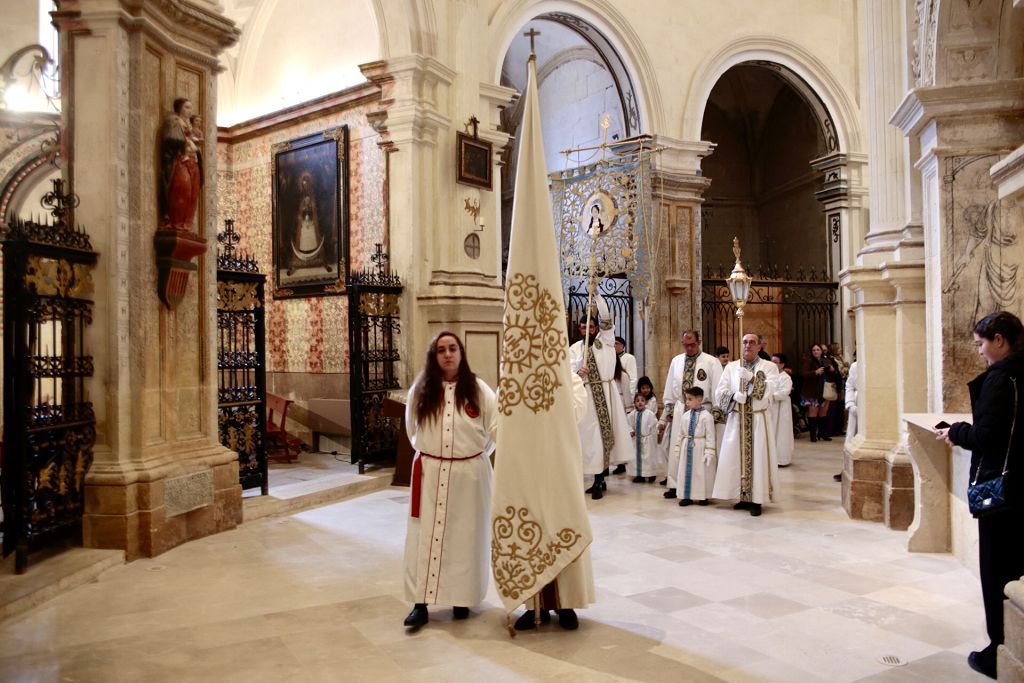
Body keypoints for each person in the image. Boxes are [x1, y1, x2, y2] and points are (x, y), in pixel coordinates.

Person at [936, 312, 1024, 679]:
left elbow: (986, 437)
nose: (980, 353)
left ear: (999, 340)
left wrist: (955, 431)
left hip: (1003, 495)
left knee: (997, 571)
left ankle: (1000, 649)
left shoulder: (1001, 379)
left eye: (981, 344)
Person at [402, 332, 496, 628]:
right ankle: (421, 603)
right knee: (424, 537)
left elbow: (494, 431)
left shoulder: (479, 390)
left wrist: (469, 457)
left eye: (453, 348)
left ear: (461, 353)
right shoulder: (421, 390)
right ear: (434, 356)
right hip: (430, 473)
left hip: (469, 477)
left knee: (465, 537)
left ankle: (461, 598)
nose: (447, 354)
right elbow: (411, 430)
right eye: (441, 350)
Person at [569, 294, 633, 499]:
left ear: (596, 328)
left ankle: (599, 480)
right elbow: (568, 372)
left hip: (604, 395)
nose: (587, 330)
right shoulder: (574, 349)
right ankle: (595, 477)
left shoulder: (604, 342)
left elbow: (607, 318)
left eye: (590, 327)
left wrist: (596, 297)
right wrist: (578, 372)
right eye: (583, 327)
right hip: (585, 395)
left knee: (600, 438)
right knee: (587, 440)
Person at [712, 333, 780, 516]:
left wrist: (751, 379)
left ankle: (757, 499)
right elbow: (720, 391)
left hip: (758, 420)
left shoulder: (769, 367)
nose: (747, 346)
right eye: (744, 342)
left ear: (760, 346)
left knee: (758, 459)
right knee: (736, 459)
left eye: (752, 342)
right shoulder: (732, 367)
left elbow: (770, 390)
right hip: (737, 419)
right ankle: (741, 496)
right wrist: (733, 396)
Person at [659, 330, 723, 499]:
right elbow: (669, 387)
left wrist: (716, 412)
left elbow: (718, 388)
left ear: (699, 342)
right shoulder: (677, 361)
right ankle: (675, 485)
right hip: (681, 411)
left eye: (692, 344)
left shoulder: (711, 362)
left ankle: (704, 490)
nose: (689, 348)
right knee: (677, 448)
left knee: (703, 452)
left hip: (704, 412)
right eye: (686, 345)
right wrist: (669, 408)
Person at [160, 97, 203, 232]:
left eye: (190, 107)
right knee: (182, 189)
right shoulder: (173, 121)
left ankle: (186, 226)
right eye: (187, 107)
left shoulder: (191, 126)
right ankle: (175, 223)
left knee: (193, 193)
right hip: (180, 161)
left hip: (193, 160)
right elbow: (170, 138)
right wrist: (186, 143)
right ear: (179, 108)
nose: (190, 110)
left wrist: (194, 145)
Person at [672, 386, 717, 506]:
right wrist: (678, 448)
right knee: (686, 472)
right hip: (687, 447)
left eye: (690, 399)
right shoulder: (685, 416)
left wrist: (709, 452)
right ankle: (687, 496)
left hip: (700, 448)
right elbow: (680, 434)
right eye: (687, 399)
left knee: (700, 472)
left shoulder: (707, 416)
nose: (687, 402)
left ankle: (703, 496)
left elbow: (710, 436)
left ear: (700, 399)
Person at [800, 343, 839, 442]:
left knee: (823, 412)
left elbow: (835, 375)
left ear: (821, 351)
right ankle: (813, 435)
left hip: (825, 390)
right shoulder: (808, 361)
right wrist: (815, 372)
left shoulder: (827, 361)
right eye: (814, 350)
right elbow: (803, 374)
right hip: (812, 391)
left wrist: (832, 370)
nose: (816, 352)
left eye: (818, 350)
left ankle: (822, 433)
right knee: (813, 412)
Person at [627, 393, 660, 483]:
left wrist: (654, 436)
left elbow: (654, 425)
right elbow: (628, 424)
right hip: (636, 440)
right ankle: (639, 475)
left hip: (647, 440)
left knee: (648, 458)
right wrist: (631, 431)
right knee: (636, 458)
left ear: (645, 402)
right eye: (637, 401)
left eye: (642, 400)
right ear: (634, 403)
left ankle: (651, 474)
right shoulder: (632, 414)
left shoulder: (649, 414)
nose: (640, 403)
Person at [770, 353, 795, 467]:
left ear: (782, 364)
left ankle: (781, 458)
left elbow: (784, 392)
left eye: (775, 362)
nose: (772, 364)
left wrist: (770, 395)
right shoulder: (769, 376)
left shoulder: (785, 377)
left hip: (781, 407)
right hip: (770, 407)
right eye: (771, 361)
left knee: (781, 432)